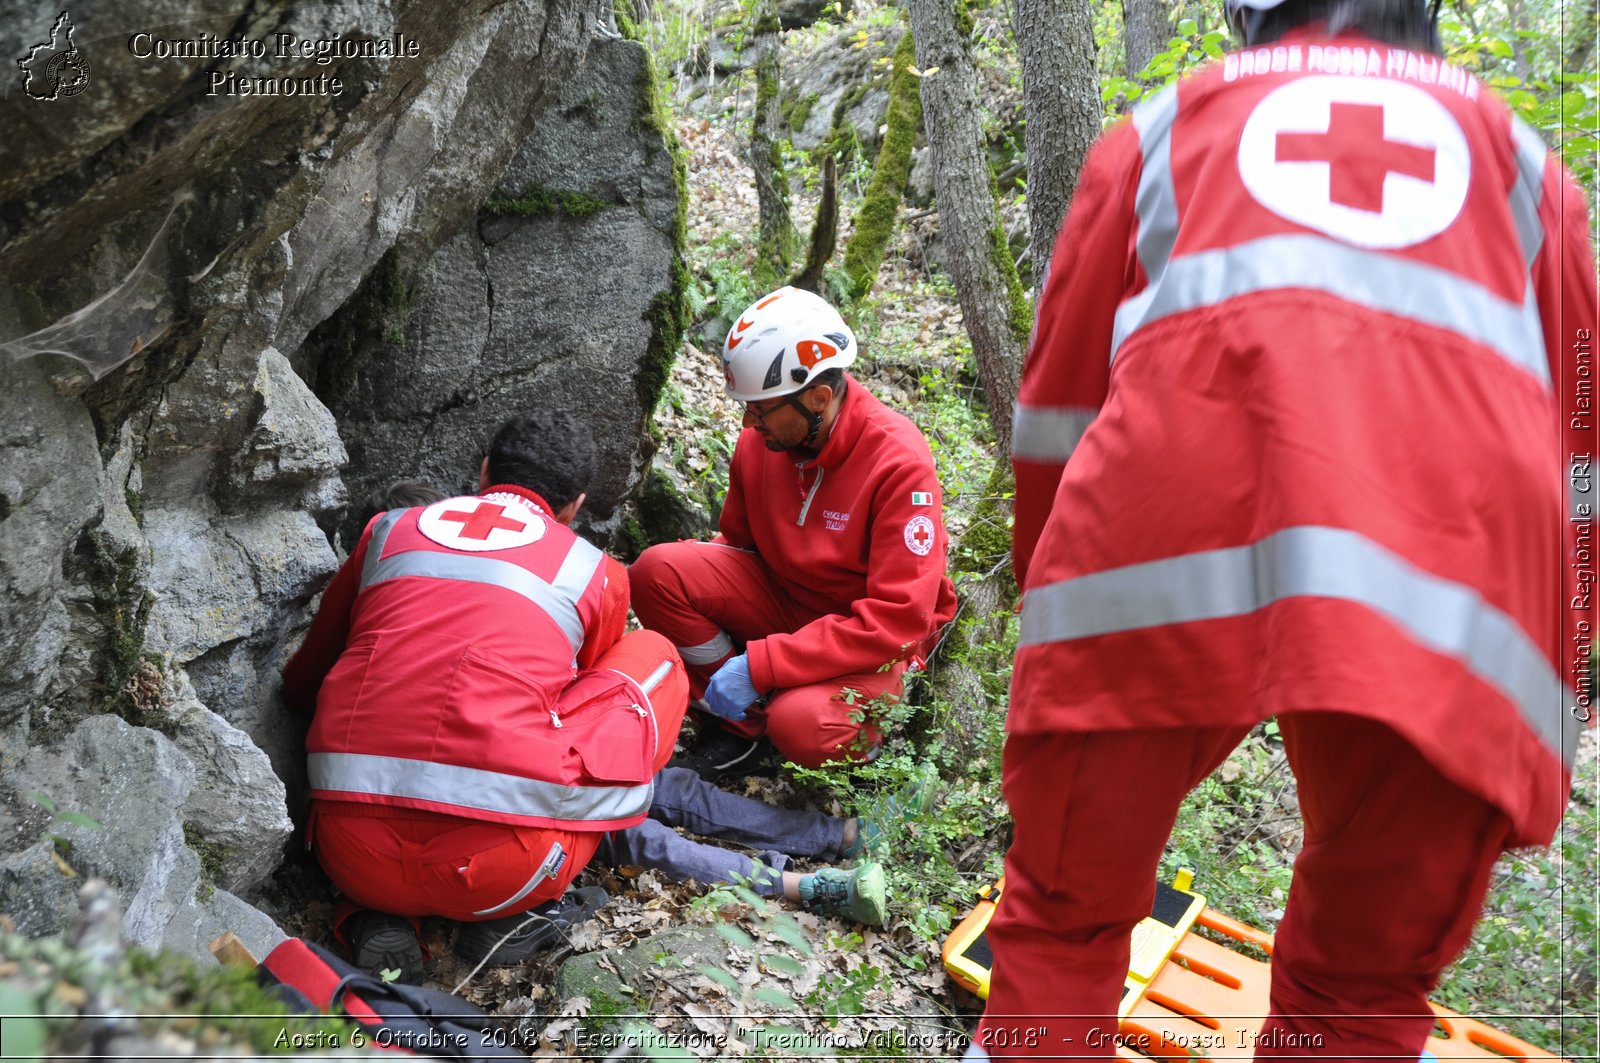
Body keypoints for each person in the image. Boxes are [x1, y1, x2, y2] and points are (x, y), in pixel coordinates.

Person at [973, 0, 1596, 1055]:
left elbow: (1058, 414)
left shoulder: (1165, 130)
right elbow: (1582, 450)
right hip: (1465, 600)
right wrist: (1563, 657)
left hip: (1154, 558)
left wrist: (1052, 609)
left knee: (1062, 920)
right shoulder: (1531, 174)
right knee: (1354, 995)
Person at [282, 413, 903, 982]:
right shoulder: (590, 570)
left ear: (483, 474)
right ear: (575, 505)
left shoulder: (386, 533)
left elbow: (304, 679)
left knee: (500, 808)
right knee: (651, 664)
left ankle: (379, 917)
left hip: (349, 854)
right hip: (507, 867)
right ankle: (516, 912)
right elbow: (582, 699)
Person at [632, 286, 959, 776]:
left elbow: (896, 625)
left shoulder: (898, 463)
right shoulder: (760, 443)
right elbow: (738, 546)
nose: (747, 421)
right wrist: (703, 610)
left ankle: (812, 718)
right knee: (655, 571)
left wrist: (762, 665)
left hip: (867, 642)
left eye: (760, 409)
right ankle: (740, 728)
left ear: (818, 399)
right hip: (785, 601)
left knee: (802, 725)